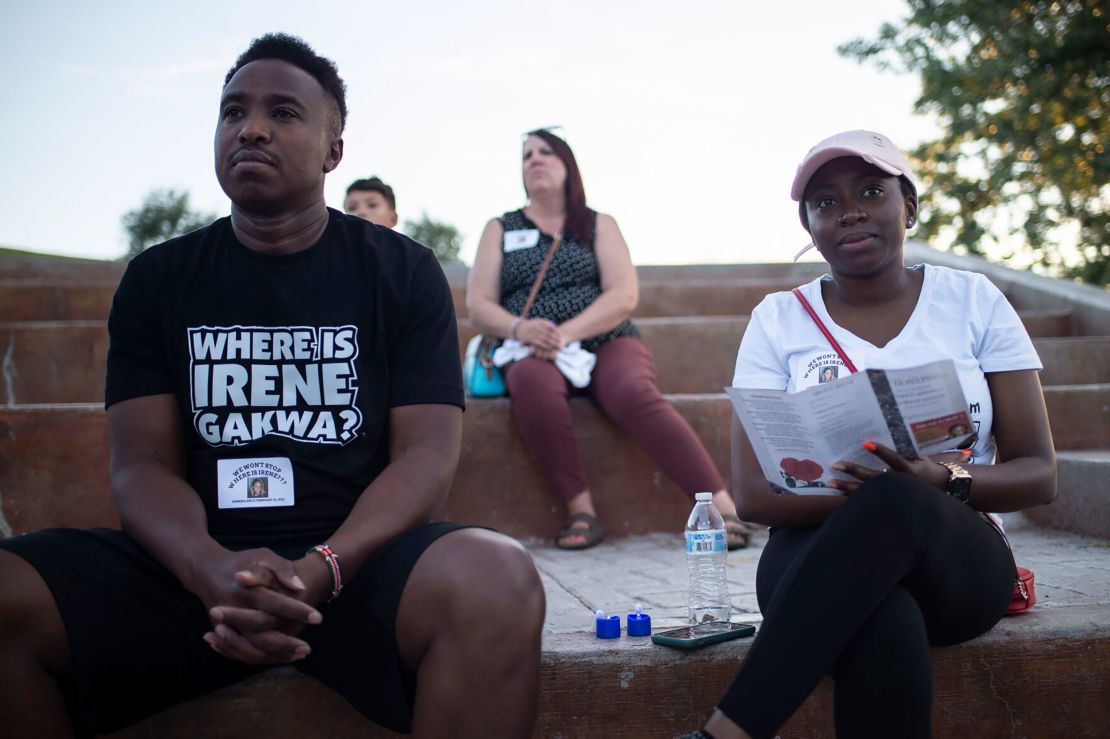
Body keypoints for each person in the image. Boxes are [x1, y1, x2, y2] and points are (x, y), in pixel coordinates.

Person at [0, 33, 544, 739]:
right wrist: (208, 568)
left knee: (495, 577)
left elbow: (425, 459)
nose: (250, 127)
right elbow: (141, 465)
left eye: (283, 113)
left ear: (332, 150)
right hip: (188, 572)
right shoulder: (158, 279)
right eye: (233, 112)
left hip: (359, 570)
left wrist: (321, 568)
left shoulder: (403, 272)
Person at [686, 130, 1056, 739]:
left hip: (954, 561)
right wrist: (878, 497)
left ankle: (727, 732)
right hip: (808, 551)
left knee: (901, 497)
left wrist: (936, 480)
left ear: (909, 206)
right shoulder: (778, 319)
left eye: (871, 190)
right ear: (809, 227)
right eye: (825, 202)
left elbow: (1039, 473)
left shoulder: (972, 300)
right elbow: (753, 497)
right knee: (880, 615)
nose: (849, 210)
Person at [466, 128, 757, 550]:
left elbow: (623, 295)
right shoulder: (500, 227)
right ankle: (581, 510)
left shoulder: (598, 223)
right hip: (530, 346)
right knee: (530, 382)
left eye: (547, 152)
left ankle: (722, 508)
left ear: (568, 165)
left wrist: (564, 334)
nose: (535, 160)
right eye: (527, 155)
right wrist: (521, 328)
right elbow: (479, 304)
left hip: (604, 338)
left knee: (632, 392)